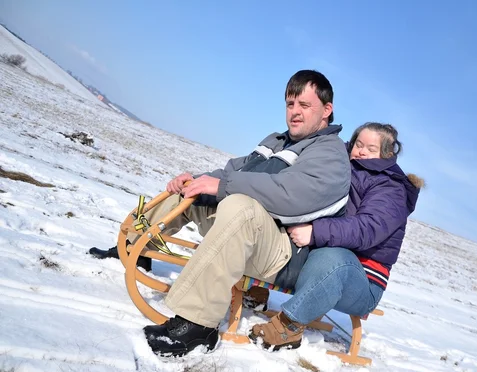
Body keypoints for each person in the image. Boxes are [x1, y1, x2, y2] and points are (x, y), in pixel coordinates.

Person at [91, 70, 352, 357]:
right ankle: (136, 248)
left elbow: (290, 195)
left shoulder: (331, 154)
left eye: (305, 106)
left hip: (282, 254)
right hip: (244, 230)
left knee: (241, 207)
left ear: (327, 110)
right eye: (290, 104)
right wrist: (199, 180)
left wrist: (223, 185)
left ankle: (198, 325)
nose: (295, 113)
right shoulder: (277, 140)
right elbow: (234, 172)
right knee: (193, 190)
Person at [249, 122, 424, 351]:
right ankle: (255, 288)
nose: (361, 151)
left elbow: (368, 228)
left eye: (370, 149)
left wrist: (316, 231)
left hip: (361, 279)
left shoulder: (391, 188)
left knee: (334, 260)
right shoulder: (340, 165)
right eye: (358, 144)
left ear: (386, 155)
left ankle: (288, 327)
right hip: (321, 259)